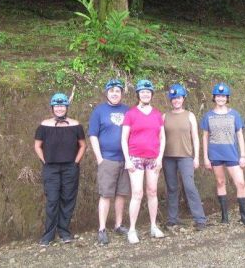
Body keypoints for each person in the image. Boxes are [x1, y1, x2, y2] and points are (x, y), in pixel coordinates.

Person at [34, 93, 87, 247]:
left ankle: (64, 231)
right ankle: (48, 234)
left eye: (62, 105)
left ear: (66, 107)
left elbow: (83, 145)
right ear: (52, 108)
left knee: (68, 199)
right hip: (51, 168)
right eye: (56, 106)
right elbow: (37, 145)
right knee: (52, 200)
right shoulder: (44, 125)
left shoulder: (75, 125)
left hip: (70, 167)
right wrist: (44, 160)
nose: (59, 108)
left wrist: (76, 162)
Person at [121, 79, 166, 244]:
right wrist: (127, 160)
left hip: (153, 158)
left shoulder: (157, 114)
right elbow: (124, 139)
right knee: (137, 193)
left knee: (152, 191)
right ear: (138, 94)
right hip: (135, 158)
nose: (146, 94)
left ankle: (153, 226)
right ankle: (132, 229)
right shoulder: (131, 113)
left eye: (148, 92)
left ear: (151, 94)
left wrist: (160, 158)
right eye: (143, 91)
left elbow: (162, 138)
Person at [200, 83, 245, 226]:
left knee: (240, 183)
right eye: (218, 96)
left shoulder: (234, 114)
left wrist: (243, 156)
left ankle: (244, 216)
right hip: (215, 154)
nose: (220, 98)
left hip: (232, 154)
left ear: (227, 98)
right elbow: (205, 137)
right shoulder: (208, 116)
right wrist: (205, 157)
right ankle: (225, 216)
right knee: (220, 182)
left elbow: (239, 135)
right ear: (214, 98)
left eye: (223, 96)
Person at [88, 79, 130, 245]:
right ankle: (102, 228)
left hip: (125, 160)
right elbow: (93, 135)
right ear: (106, 92)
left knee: (121, 194)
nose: (114, 93)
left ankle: (118, 225)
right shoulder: (99, 111)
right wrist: (100, 158)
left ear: (121, 93)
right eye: (111, 90)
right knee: (106, 195)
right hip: (107, 159)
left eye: (118, 91)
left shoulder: (128, 110)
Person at [162, 84, 207, 230]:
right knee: (172, 187)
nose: (176, 101)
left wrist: (196, 157)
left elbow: (195, 138)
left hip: (186, 157)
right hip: (168, 157)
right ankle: (172, 218)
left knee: (189, 186)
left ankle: (200, 219)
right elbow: (160, 137)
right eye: (174, 98)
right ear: (171, 100)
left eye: (179, 98)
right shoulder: (165, 116)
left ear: (183, 99)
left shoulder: (190, 115)